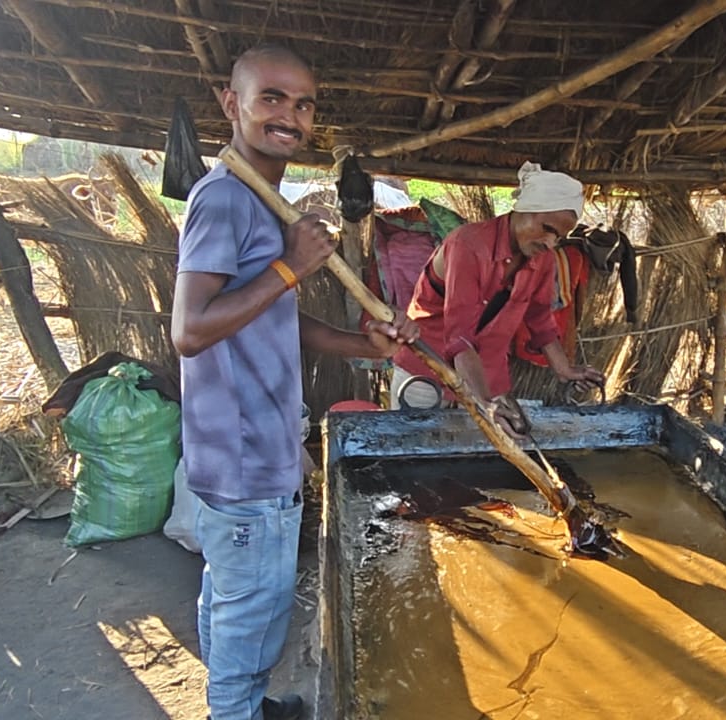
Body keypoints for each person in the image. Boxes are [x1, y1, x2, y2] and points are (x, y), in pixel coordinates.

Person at [170, 44, 418, 720]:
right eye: (271, 98)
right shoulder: (223, 198)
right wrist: (293, 267)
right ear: (232, 104)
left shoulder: (262, 201)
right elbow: (190, 331)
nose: (289, 115)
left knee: (233, 601)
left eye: (302, 104)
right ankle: (238, 710)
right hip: (247, 462)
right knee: (254, 617)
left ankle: (249, 704)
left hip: (245, 451)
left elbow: (269, 319)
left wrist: (359, 345)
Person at [390, 162, 604, 435]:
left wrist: (563, 368)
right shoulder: (468, 245)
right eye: (547, 228)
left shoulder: (544, 258)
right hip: (428, 373)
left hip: (487, 379)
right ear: (524, 208)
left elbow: (539, 317)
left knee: (478, 469)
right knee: (412, 459)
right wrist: (486, 405)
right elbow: (460, 339)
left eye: (559, 237)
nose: (550, 243)